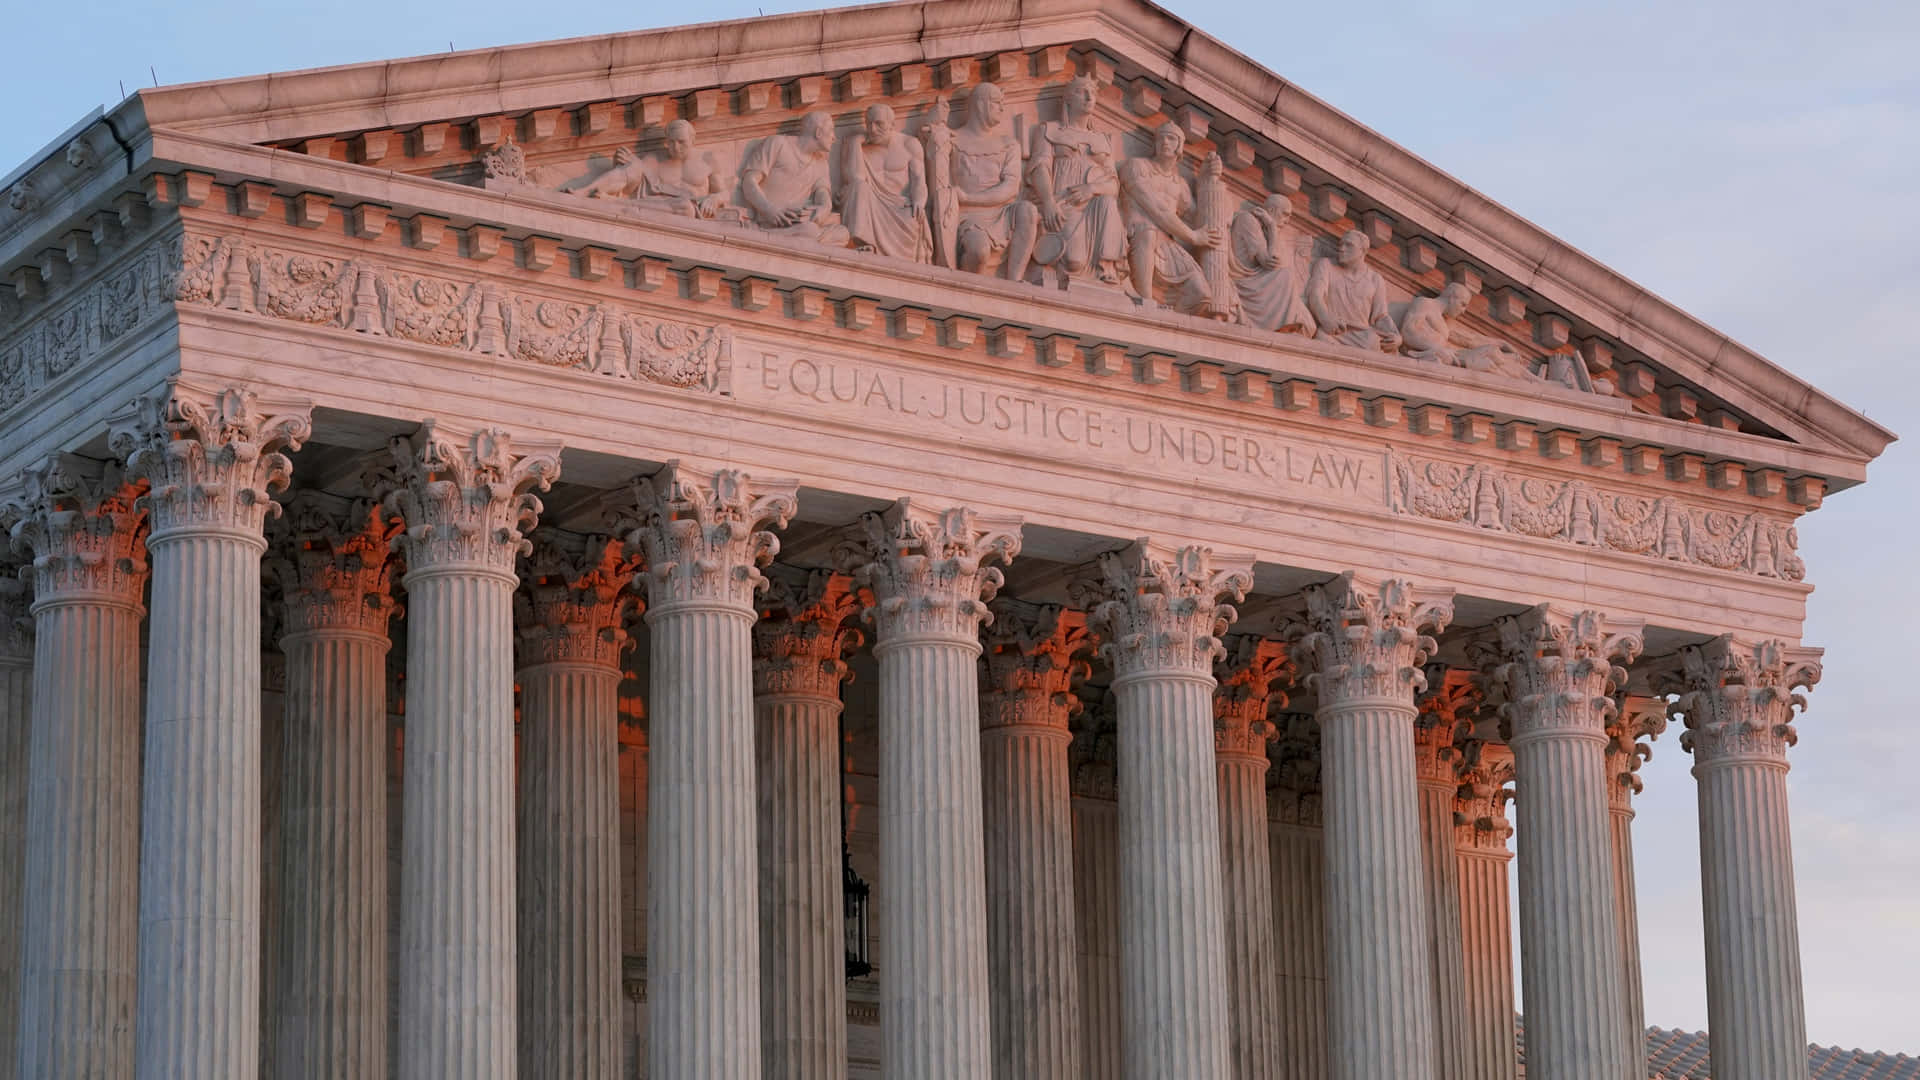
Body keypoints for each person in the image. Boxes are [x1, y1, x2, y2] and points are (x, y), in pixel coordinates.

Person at [1027, 76, 1127, 285]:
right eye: (1082, 91)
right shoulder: (1050, 130)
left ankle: (1107, 266)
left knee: (1108, 202)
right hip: (1062, 204)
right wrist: (1048, 202)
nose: (1089, 97)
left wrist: (1092, 188)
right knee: (1074, 261)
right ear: (1067, 99)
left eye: (1093, 93)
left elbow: (1113, 185)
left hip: (1095, 206)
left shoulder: (1102, 140)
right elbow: (1039, 168)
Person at [1118, 122, 1224, 315]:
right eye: (1160, 138)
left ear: (1180, 146)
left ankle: (1167, 322)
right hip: (1136, 235)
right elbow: (1156, 208)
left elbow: (1197, 219)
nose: (1165, 142)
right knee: (1148, 231)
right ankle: (1145, 302)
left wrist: (1207, 180)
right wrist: (1193, 236)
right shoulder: (1137, 166)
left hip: (1166, 244)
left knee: (1201, 293)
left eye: (1171, 138)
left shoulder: (1180, 184)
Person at [945, 83, 1039, 279]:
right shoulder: (952, 140)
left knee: (1027, 210)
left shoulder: (1008, 144)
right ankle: (970, 288)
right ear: (981, 105)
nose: (1002, 108)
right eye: (997, 102)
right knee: (979, 251)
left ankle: (1014, 282)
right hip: (968, 216)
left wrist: (968, 198)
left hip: (1001, 213)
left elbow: (1011, 188)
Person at [573, 119, 732, 219]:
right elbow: (631, 177)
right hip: (656, 202)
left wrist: (714, 199)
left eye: (681, 142)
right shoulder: (656, 158)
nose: (675, 147)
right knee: (633, 167)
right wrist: (621, 162)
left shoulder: (707, 159)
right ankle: (585, 191)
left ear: (693, 139)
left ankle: (616, 202)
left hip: (685, 208)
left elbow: (724, 193)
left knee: (686, 207)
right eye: (671, 142)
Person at [738, 111, 849, 246]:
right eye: (831, 130)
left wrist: (824, 208)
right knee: (810, 231)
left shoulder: (821, 163)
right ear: (818, 132)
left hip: (799, 223)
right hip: (771, 220)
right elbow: (749, 182)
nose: (834, 137)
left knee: (843, 233)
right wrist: (769, 210)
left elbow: (823, 195)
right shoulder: (777, 143)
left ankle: (775, 238)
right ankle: (768, 234)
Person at [839, 104, 931, 261]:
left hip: (899, 206)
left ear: (892, 125)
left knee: (913, 217)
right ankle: (863, 242)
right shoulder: (855, 145)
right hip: (870, 204)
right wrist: (856, 143)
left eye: (879, 124)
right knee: (859, 188)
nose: (872, 129)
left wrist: (919, 201)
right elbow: (856, 178)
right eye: (869, 124)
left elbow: (919, 180)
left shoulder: (909, 144)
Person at [1398, 282, 1536, 380]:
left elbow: (1471, 340)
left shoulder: (1444, 323)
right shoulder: (1424, 303)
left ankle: (1530, 382)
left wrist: (1502, 343)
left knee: (1493, 352)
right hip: (1438, 355)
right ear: (1451, 297)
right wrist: (1437, 348)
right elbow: (1409, 331)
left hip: (1450, 355)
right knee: (1489, 364)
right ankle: (1521, 384)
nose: (1463, 311)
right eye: (1462, 304)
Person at [1228, 194, 1315, 335]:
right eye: (1285, 214)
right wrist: (1272, 227)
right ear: (1272, 210)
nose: (1287, 221)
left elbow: (1277, 262)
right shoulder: (1247, 220)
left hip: (1261, 282)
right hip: (1245, 282)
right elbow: (1269, 262)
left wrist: (1271, 229)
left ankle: (1282, 327)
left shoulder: (1266, 229)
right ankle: (1279, 326)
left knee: (1308, 324)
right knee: (1285, 275)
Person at [1304, 229, 1401, 351]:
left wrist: (1396, 336)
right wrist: (1325, 318)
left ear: (1363, 251)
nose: (1342, 249)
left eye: (1349, 245)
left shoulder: (1375, 279)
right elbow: (1315, 295)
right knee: (1321, 340)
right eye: (1341, 244)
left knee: (1373, 343)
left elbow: (1380, 316)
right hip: (1333, 332)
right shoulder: (1326, 265)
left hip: (1363, 337)